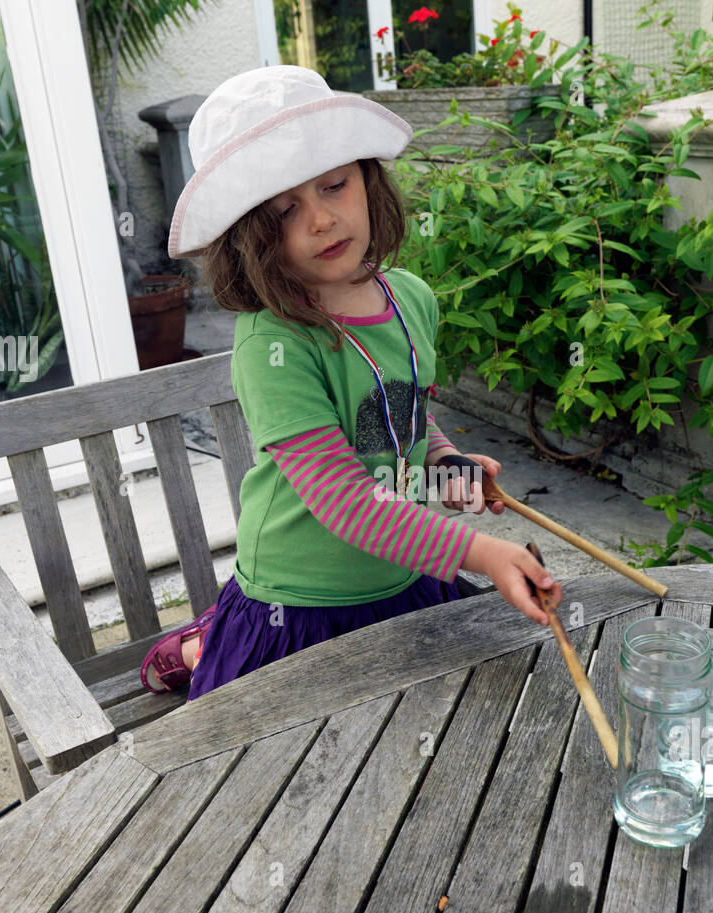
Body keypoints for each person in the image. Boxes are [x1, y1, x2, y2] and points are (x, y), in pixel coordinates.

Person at [140, 65, 563, 700]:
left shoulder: (412, 299)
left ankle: (206, 636)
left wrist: (448, 467)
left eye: (334, 185)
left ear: (367, 179)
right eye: (286, 210)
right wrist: (482, 553)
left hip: (400, 576)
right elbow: (344, 500)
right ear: (248, 235)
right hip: (300, 605)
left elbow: (403, 418)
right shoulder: (273, 342)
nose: (320, 220)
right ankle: (203, 646)